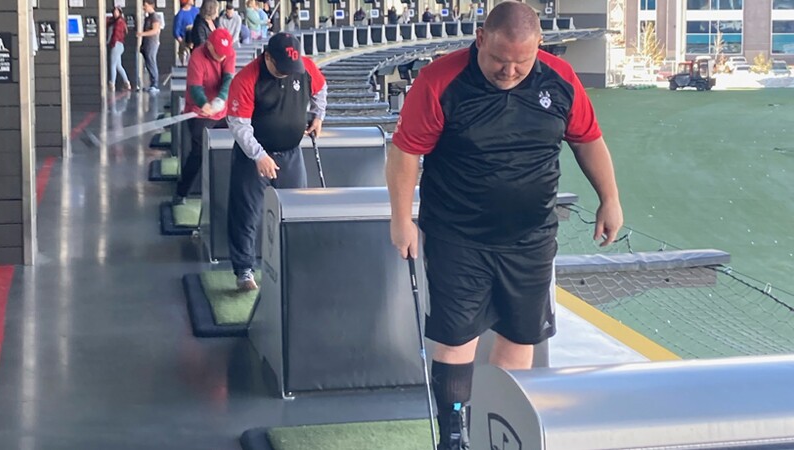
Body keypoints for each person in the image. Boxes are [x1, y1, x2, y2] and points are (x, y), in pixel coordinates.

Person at [385, 2, 623, 449]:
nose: (509, 71)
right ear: (480, 39)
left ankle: (499, 422)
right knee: (456, 337)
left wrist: (609, 199)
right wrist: (402, 220)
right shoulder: (440, 80)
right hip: (457, 235)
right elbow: (404, 154)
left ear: (539, 48)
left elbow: (588, 139)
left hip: (530, 238)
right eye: (499, 60)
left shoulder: (561, 80)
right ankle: (453, 433)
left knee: (520, 336)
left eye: (521, 62)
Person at [225, 33, 327, 291]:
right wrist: (259, 155)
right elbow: (239, 125)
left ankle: (294, 263)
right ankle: (244, 270)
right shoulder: (247, 79)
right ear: (268, 57)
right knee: (247, 213)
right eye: (281, 69)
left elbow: (321, 88)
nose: (287, 73)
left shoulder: (303, 67)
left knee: (297, 211)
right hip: (253, 157)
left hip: (291, 153)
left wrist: (318, 116)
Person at [173, 28, 236, 205]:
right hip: (198, 112)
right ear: (209, 45)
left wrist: (220, 100)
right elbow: (195, 88)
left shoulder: (228, 53)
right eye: (219, 53)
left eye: (225, 53)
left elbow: (228, 79)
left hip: (222, 111)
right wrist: (205, 104)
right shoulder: (197, 57)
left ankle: (226, 196)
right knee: (198, 154)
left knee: (229, 150)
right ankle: (181, 193)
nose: (223, 56)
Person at [137, 0, 162, 94]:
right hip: (147, 43)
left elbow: (155, 30)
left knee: (152, 62)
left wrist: (141, 34)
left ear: (150, 5)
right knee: (148, 63)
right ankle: (152, 83)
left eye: (145, 5)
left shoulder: (154, 17)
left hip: (152, 43)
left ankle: (155, 84)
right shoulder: (148, 17)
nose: (144, 7)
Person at [107, 6, 131, 91]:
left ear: (120, 13)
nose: (114, 13)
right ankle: (127, 83)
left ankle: (112, 84)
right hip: (120, 45)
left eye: (116, 12)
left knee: (113, 65)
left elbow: (116, 35)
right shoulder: (121, 22)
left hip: (116, 45)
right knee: (118, 66)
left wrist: (112, 44)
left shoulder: (118, 23)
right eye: (114, 12)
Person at [173, 0, 199, 65]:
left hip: (196, 38)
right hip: (185, 40)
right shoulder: (180, 14)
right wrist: (182, 43)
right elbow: (176, 31)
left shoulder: (196, 11)